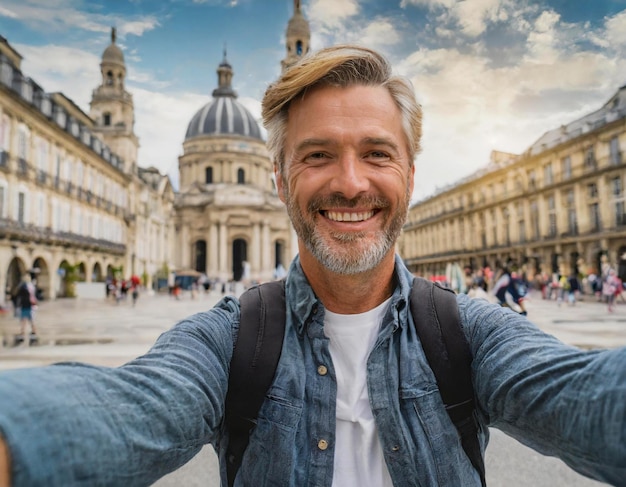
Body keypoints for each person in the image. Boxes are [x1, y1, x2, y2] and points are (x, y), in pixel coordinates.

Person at [0, 45, 625, 487]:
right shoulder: (227, 341)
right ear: (278, 179)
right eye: (318, 154)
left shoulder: (472, 334)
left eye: (377, 153)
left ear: (409, 174)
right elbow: (132, 406)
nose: (350, 184)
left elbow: (581, 396)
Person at [12, 273, 38, 346]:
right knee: (31, 319)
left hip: (25, 305)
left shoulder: (23, 286)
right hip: (31, 305)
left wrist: (17, 305)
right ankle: (33, 332)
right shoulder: (32, 286)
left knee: (24, 320)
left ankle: (23, 333)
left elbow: (17, 296)